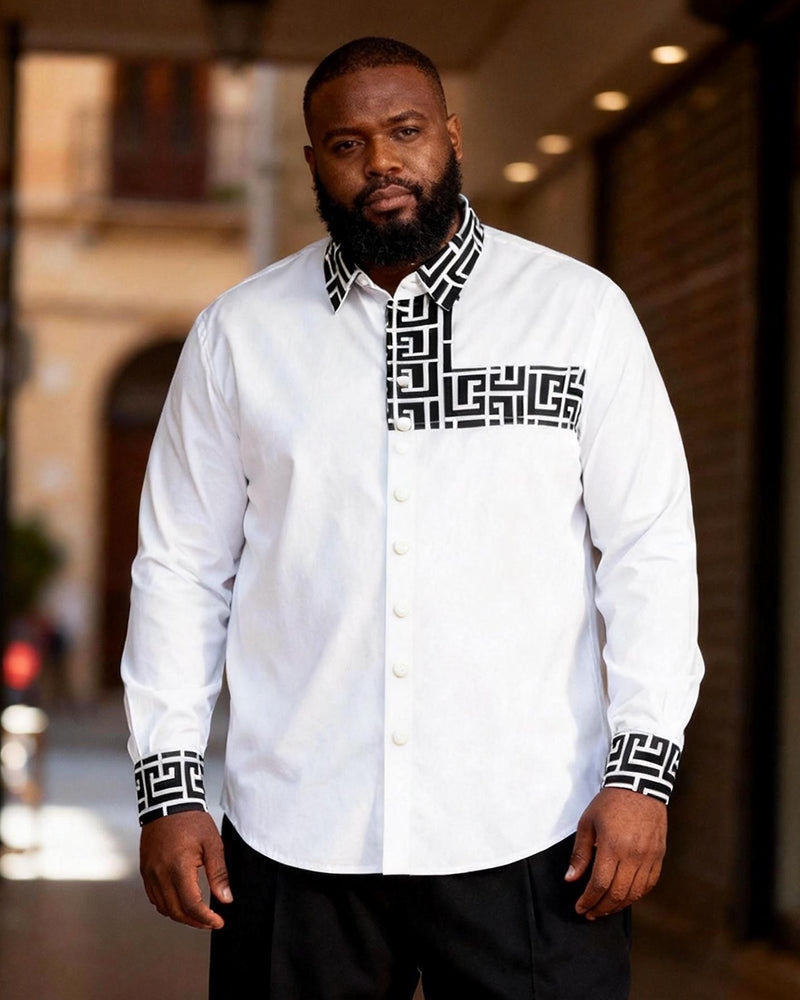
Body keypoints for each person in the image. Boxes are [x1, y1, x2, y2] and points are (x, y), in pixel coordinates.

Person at [122, 36, 703, 1000]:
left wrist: (641, 775)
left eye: (406, 132)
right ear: (313, 161)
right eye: (347, 144)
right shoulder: (240, 335)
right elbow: (180, 569)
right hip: (298, 829)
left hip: (533, 828)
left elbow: (650, 552)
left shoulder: (578, 315)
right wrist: (169, 788)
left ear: (452, 137)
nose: (382, 162)